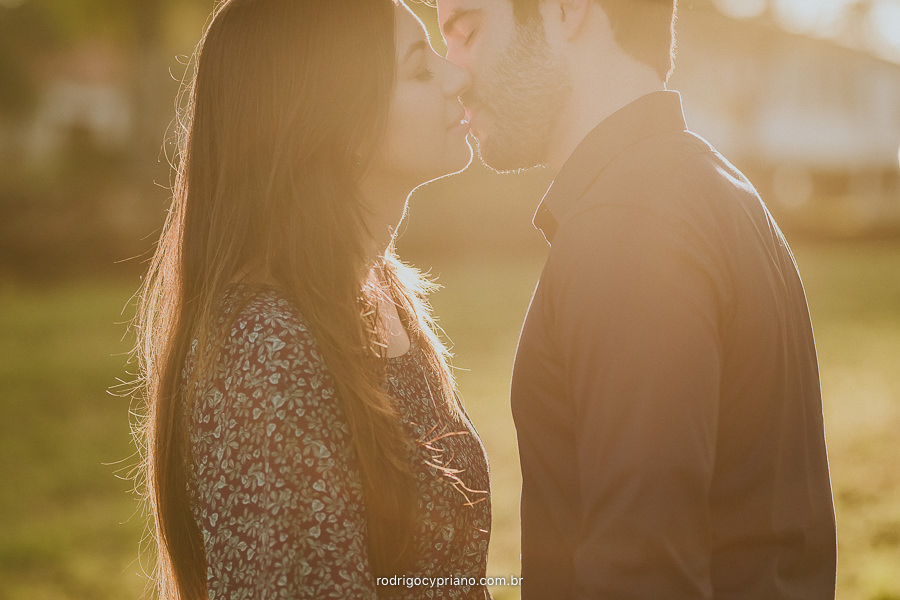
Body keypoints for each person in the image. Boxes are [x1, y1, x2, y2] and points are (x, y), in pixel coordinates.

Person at [436, 0, 836, 598]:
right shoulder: (716, 189)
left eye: (465, 32)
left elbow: (644, 573)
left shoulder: (628, 228)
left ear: (566, 10)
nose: (454, 72)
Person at [134, 1, 492, 598]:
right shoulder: (269, 350)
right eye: (420, 70)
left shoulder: (379, 293)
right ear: (339, 125)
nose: (458, 75)